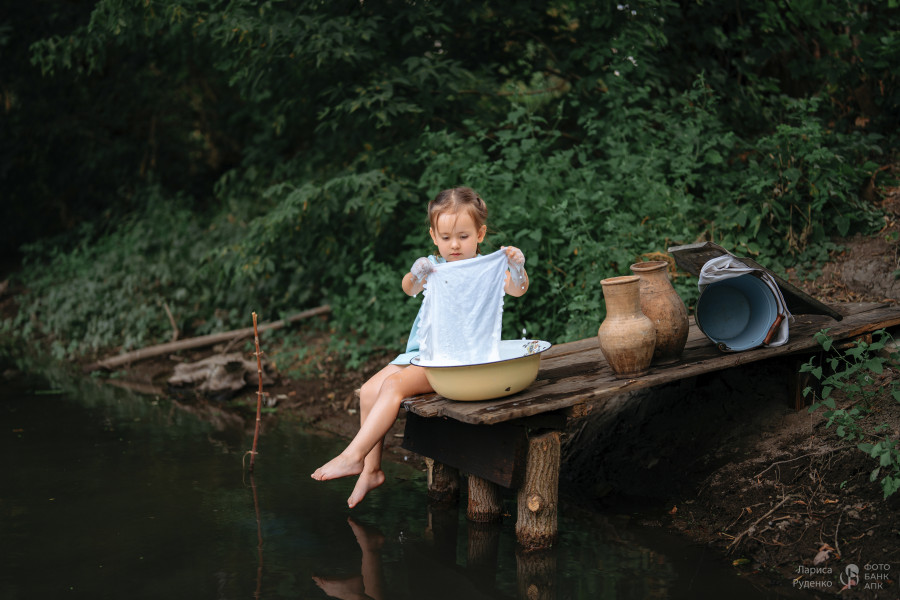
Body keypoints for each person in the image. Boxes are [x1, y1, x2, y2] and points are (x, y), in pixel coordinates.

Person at [311, 186, 529, 508]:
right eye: (446, 237)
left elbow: (518, 289)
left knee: (393, 385)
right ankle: (371, 470)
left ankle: (352, 455)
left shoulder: (486, 268)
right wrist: (416, 272)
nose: (454, 245)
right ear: (434, 236)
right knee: (368, 391)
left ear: (480, 234)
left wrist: (517, 267)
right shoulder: (434, 265)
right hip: (421, 351)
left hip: (455, 357)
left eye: (464, 236)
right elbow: (409, 288)